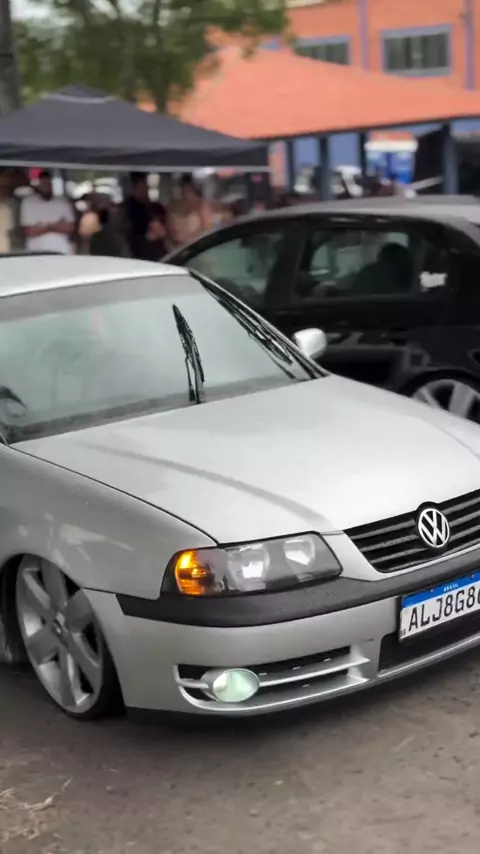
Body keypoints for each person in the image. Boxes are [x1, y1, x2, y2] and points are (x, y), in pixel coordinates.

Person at [20, 170, 74, 254]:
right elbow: (29, 231)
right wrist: (56, 226)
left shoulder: (62, 202)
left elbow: (69, 228)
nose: (46, 186)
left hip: (61, 250)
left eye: (48, 183)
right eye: (43, 183)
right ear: (38, 184)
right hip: (36, 250)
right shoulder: (28, 202)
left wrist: (41, 227)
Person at [166, 174, 212, 251]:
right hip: (174, 248)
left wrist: (188, 241)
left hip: (196, 246)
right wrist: (175, 240)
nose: (185, 193)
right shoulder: (173, 205)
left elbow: (206, 228)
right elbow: (169, 229)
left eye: (188, 190)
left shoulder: (201, 205)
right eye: (182, 190)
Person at [124, 172, 153, 260]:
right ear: (134, 187)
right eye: (143, 184)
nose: (147, 188)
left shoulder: (150, 206)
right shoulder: (130, 208)